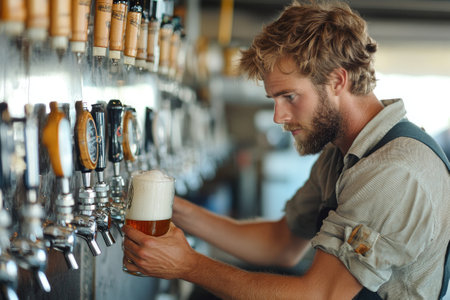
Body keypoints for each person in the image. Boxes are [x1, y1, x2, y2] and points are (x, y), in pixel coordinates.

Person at [122, 1, 450, 299]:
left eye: (289, 97)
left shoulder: (394, 172)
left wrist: (188, 265)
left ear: (337, 81)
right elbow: (281, 244)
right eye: (274, 100)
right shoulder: (342, 152)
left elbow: (320, 295)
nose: (279, 116)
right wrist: (171, 206)